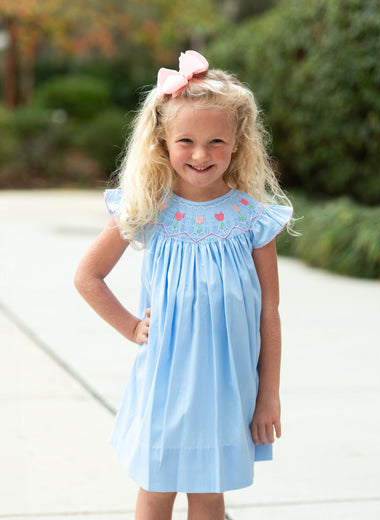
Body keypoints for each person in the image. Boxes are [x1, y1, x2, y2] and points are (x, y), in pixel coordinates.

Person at [74, 50, 293, 520]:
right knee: (156, 488)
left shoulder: (252, 219)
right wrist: (132, 327)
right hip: (165, 383)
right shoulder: (148, 208)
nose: (200, 154)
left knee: (209, 495)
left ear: (238, 142)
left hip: (226, 385)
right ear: (162, 142)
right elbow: (87, 276)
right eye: (186, 140)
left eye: (216, 141)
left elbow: (268, 310)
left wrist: (268, 393)